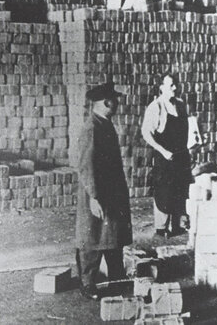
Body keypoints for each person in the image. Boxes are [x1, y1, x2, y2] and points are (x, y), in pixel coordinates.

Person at [76, 82, 131, 298]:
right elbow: (86, 165)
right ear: (107, 102)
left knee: (112, 235)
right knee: (92, 238)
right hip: (98, 193)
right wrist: (93, 197)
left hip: (111, 192)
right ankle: (87, 283)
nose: (117, 103)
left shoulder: (104, 124)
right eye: (114, 100)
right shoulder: (91, 128)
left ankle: (117, 280)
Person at [141, 73, 195, 237]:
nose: (175, 88)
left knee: (180, 190)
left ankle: (178, 226)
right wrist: (163, 151)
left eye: (175, 84)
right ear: (161, 88)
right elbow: (146, 133)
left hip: (181, 156)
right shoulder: (156, 107)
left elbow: (189, 130)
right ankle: (161, 228)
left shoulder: (180, 105)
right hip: (165, 158)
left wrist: (194, 144)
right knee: (164, 192)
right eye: (170, 85)